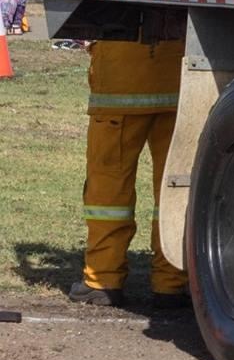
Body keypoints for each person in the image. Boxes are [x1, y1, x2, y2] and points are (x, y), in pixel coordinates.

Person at [70, 31, 188, 310]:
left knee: (108, 191)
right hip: (177, 79)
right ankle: (172, 281)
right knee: (176, 188)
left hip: (118, 82)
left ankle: (102, 279)